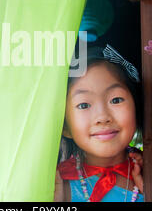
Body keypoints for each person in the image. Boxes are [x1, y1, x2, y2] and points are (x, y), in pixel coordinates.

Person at [54, 43, 144, 202]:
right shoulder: (58, 184)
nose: (102, 117)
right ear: (65, 126)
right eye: (83, 105)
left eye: (116, 100)